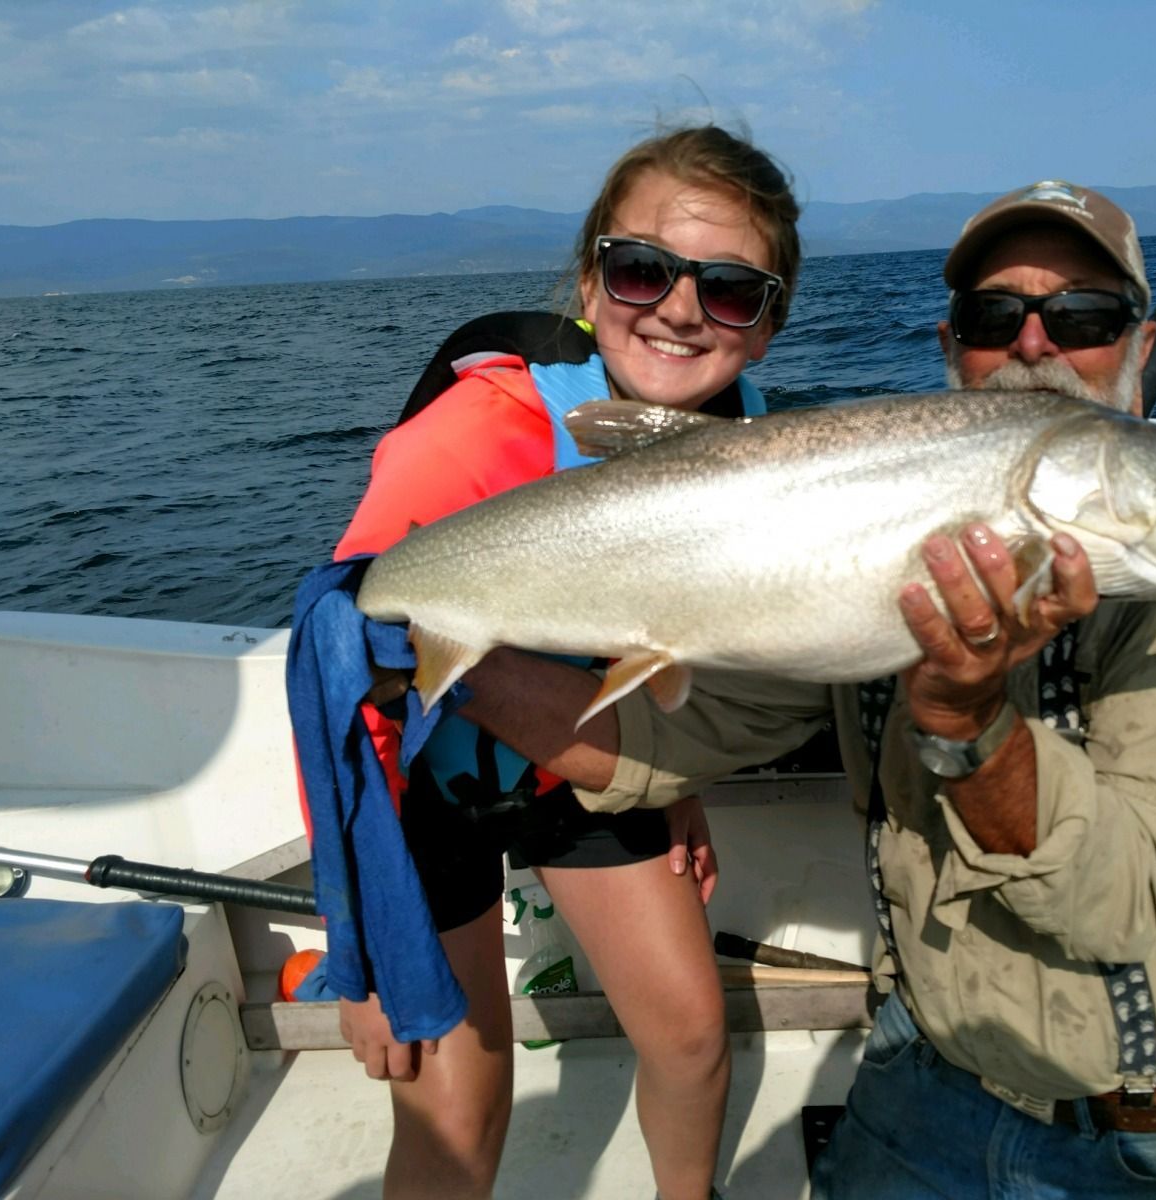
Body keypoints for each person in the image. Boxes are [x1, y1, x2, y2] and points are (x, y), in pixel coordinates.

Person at [456, 180, 1156, 1198]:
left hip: (1148, 1136)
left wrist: (969, 720)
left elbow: (1134, 910)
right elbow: (659, 741)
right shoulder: (884, 550)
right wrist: (445, 659)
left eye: (1081, 315)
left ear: (1138, 340)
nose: (1034, 344)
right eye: (997, 317)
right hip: (918, 1082)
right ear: (953, 345)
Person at [318, 125, 802, 1200]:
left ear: (766, 330)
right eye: (643, 270)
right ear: (591, 280)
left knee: (689, 1039)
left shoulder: (742, 438)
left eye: (729, 291)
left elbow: (673, 630)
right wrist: (361, 937)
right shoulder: (479, 430)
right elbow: (341, 671)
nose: (679, 309)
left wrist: (674, 784)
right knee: (459, 1105)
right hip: (420, 794)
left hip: (581, 755)